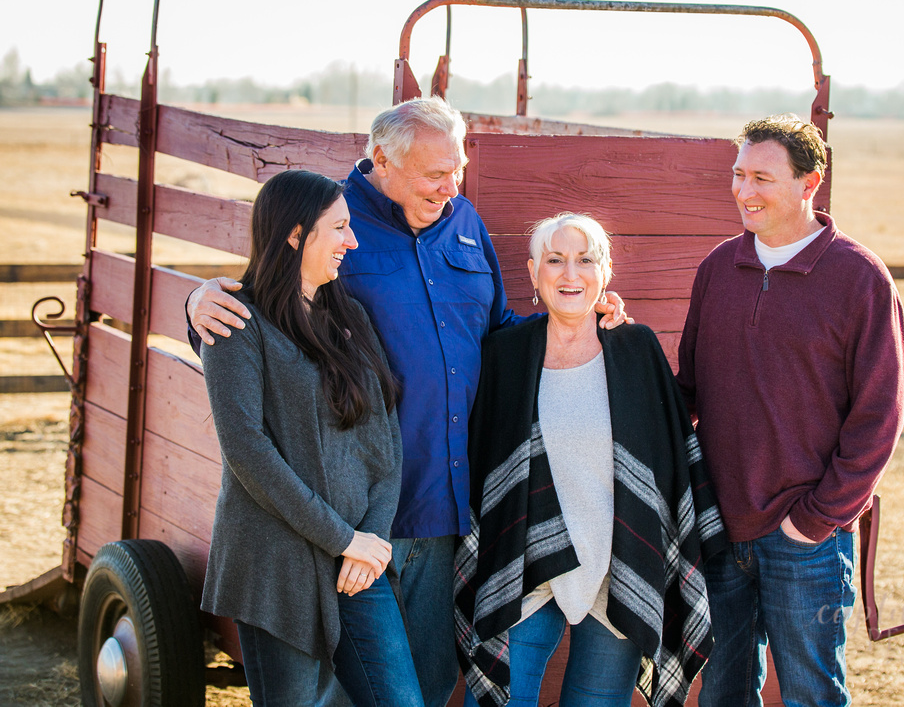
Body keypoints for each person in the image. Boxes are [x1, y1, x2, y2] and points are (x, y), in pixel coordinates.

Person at [187, 97, 629, 707]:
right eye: (433, 174)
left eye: (458, 170)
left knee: (422, 683)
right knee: (344, 690)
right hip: (355, 511)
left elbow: (497, 330)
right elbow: (266, 307)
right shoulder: (333, 225)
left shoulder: (464, 222)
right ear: (381, 161)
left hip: (445, 506)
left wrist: (581, 316)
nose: (449, 187)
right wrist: (198, 305)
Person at [677, 114, 904, 706]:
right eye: (738, 175)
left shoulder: (859, 279)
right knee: (722, 693)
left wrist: (815, 519)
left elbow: (879, 416)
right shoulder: (718, 269)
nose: (743, 191)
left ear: (810, 183)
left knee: (810, 694)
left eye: (762, 178)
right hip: (722, 528)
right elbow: (689, 393)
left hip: (807, 535)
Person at [455, 213, 727, 707]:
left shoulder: (634, 349)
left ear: (606, 274)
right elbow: (488, 469)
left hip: (618, 568)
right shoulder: (505, 354)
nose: (570, 274)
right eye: (555, 261)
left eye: (585, 261)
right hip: (526, 568)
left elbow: (665, 466)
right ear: (535, 273)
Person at [199, 169, 422, 705]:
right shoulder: (237, 324)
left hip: (357, 563)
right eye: (340, 228)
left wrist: (366, 544)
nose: (353, 241)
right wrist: (343, 539)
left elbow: (386, 443)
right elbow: (249, 453)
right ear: (297, 235)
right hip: (278, 565)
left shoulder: (349, 316)